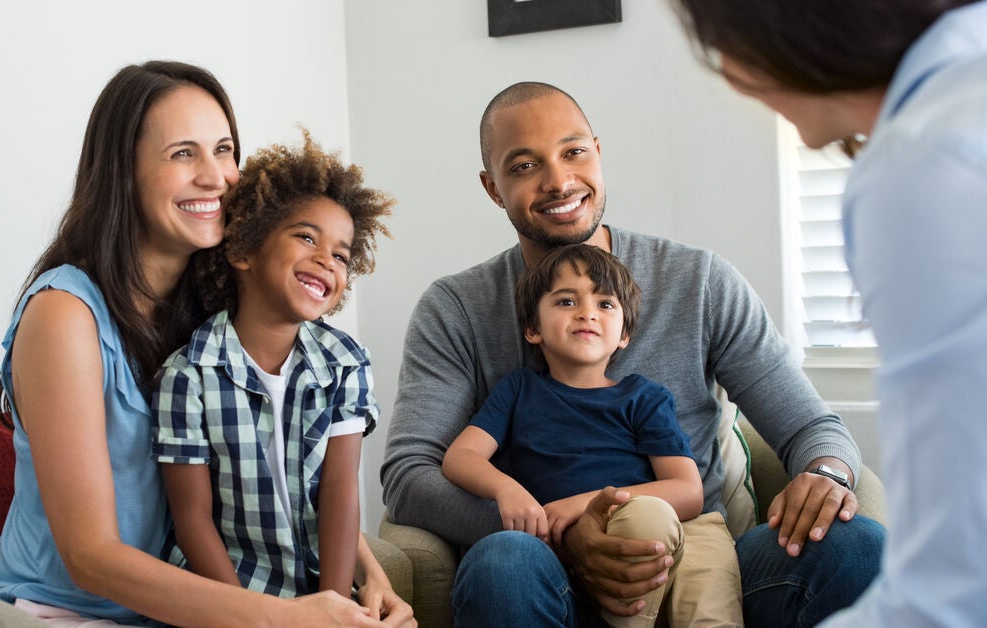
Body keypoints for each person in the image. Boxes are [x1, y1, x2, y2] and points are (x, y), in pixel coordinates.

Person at [380, 80, 885, 627]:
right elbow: (410, 474)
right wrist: (565, 536)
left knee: (856, 546)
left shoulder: (699, 281)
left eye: (573, 152)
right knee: (504, 562)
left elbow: (812, 426)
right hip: (544, 567)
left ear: (598, 151)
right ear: (493, 188)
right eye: (524, 166)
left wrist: (827, 475)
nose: (558, 180)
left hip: (693, 557)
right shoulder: (456, 308)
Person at [0, 61, 413, 627]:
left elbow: (286, 476)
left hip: (181, 612)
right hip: (56, 610)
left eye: (225, 149)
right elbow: (89, 558)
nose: (217, 177)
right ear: (123, 172)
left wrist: (367, 577)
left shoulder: (217, 313)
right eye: (184, 154)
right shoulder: (64, 315)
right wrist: (280, 620)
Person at [670, 1, 987, 625]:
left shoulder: (922, 165)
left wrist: (825, 469)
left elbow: (951, 587)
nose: (730, 77)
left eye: (721, 44)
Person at [441, 244, 742, 627]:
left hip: (652, 534)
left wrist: (578, 504)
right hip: (565, 569)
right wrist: (508, 490)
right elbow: (460, 457)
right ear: (532, 329)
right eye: (566, 301)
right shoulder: (519, 390)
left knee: (651, 523)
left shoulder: (642, 396)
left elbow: (687, 490)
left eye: (605, 304)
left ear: (624, 336)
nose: (587, 312)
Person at [151, 132, 393, 602]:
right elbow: (192, 520)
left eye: (342, 255)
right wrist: (249, 616)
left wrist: (335, 606)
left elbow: (340, 493)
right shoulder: (186, 378)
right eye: (306, 236)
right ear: (243, 250)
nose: (327, 260)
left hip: (319, 594)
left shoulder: (345, 364)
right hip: (228, 598)